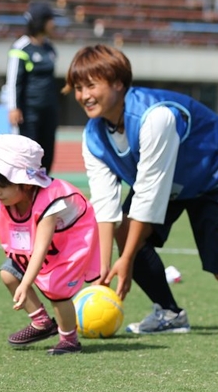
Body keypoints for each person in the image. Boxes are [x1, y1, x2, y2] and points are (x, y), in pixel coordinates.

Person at [62, 43, 218, 334]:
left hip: (211, 176)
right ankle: (170, 314)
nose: (83, 96)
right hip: (171, 183)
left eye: (91, 85)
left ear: (118, 83)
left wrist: (128, 258)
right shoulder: (93, 135)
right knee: (124, 227)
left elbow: (148, 194)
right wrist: (103, 270)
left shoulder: (155, 117)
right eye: (78, 87)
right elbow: (106, 205)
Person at [0, 134, 100, 355]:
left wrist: (26, 284)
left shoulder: (50, 202)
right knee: (8, 273)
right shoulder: (4, 203)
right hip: (44, 245)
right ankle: (42, 322)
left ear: (26, 184)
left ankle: (69, 339)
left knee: (57, 288)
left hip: (69, 243)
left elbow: (41, 247)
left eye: (3, 185)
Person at [4, 2, 59, 173]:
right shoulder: (21, 47)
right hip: (29, 112)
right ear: (40, 22)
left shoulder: (49, 48)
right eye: (50, 19)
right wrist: (13, 108)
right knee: (28, 154)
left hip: (49, 111)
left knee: (47, 154)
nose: (54, 24)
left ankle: (43, 190)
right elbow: (14, 80)